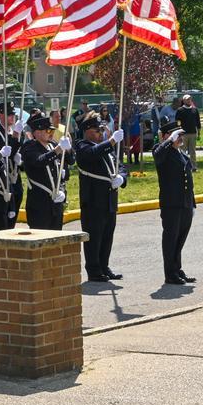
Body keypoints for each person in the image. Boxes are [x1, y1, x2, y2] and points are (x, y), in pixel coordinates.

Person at [76, 114, 126, 282]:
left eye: (102, 130)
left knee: (107, 236)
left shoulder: (106, 148)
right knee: (94, 237)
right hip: (93, 201)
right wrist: (111, 141)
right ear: (87, 131)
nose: (101, 133)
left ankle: (104, 266)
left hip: (109, 200)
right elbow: (92, 154)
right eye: (97, 131)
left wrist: (122, 178)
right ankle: (94, 269)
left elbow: (120, 166)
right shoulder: (82, 146)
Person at [153, 121, 196, 286]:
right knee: (171, 238)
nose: (180, 137)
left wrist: (192, 203)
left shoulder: (180, 153)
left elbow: (188, 181)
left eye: (180, 134)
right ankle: (170, 273)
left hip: (185, 203)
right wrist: (168, 141)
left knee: (180, 238)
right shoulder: (162, 151)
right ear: (166, 136)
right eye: (177, 135)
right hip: (171, 203)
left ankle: (177, 269)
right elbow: (157, 155)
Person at [20, 114, 71, 230]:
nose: (51, 133)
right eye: (48, 130)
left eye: (52, 130)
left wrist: (67, 148)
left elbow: (70, 161)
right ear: (37, 133)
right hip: (40, 204)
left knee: (56, 241)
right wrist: (58, 149)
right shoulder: (29, 147)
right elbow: (39, 161)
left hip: (56, 203)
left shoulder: (52, 145)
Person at [0, 102, 23, 228]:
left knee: (14, 218)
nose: (12, 117)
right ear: (0, 115)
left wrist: (22, 162)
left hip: (16, 179)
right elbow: (8, 153)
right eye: (9, 114)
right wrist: (16, 135)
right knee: (6, 220)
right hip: (4, 181)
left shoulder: (15, 132)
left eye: (13, 114)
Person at [175, 95, 201, 170]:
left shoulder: (195, 110)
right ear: (184, 101)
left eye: (190, 99)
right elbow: (177, 122)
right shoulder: (180, 110)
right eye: (187, 99)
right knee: (183, 151)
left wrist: (198, 133)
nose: (189, 101)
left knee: (192, 151)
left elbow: (198, 122)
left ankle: (193, 166)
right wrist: (179, 132)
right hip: (183, 134)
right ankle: (183, 166)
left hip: (193, 133)